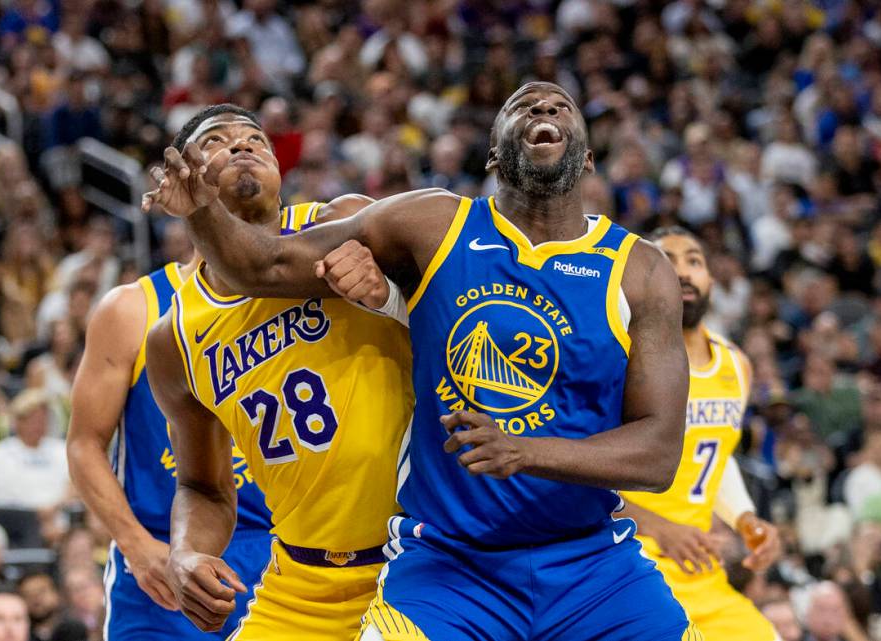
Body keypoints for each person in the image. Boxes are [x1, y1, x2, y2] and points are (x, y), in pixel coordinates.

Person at [144, 83, 695, 640]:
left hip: (582, 560)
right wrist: (182, 554)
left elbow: (658, 451)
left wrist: (383, 293)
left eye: (560, 105)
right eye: (520, 105)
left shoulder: (639, 269)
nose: (544, 107)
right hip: (406, 566)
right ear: (494, 156)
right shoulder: (429, 226)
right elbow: (260, 270)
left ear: (590, 156)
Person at [145, 104, 413, 640]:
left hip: (416, 560)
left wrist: (392, 294)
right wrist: (186, 553)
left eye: (256, 140)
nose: (243, 145)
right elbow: (204, 485)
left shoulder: (341, 223)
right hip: (300, 579)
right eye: (217, 140)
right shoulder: (172, 338)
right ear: (178, 175)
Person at [65, 219, 273, 640]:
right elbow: (84, 445)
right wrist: (135, 545)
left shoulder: (296, 302)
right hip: (165, 556)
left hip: (279, 556)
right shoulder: (133, 308)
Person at [620, 226, 782, 641]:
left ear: (711, 278)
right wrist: (659, 527)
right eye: (667, 261)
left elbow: (715, 453)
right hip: (628, 560)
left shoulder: (736, 365)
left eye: (694, 261)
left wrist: (745, 519)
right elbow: (576, 470)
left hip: (700, 566)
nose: (684, 272)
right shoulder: (618, 358)